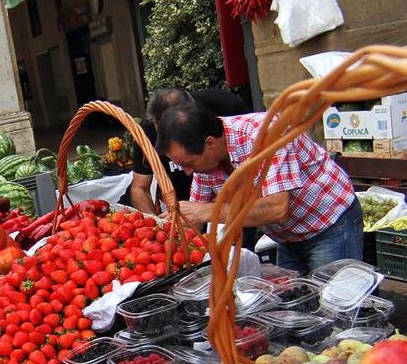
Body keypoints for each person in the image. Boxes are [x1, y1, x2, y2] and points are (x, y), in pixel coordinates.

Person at [155, 103, 362, 274]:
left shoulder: (265, 134)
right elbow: (193, 222)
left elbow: (277, 209)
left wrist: (209, 211)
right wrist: (163, 244)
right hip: (288, 236)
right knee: (292, 305)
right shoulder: (205, 162)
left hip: (328, 223)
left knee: (333, 305)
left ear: (210, 143)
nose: (188, 172)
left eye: (189, 163)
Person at [131, 87, 250, 215]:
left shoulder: (227, 109)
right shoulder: (146, 132)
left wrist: (208, 211)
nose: (188, 172)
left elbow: (271, 206)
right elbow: (140, 187)